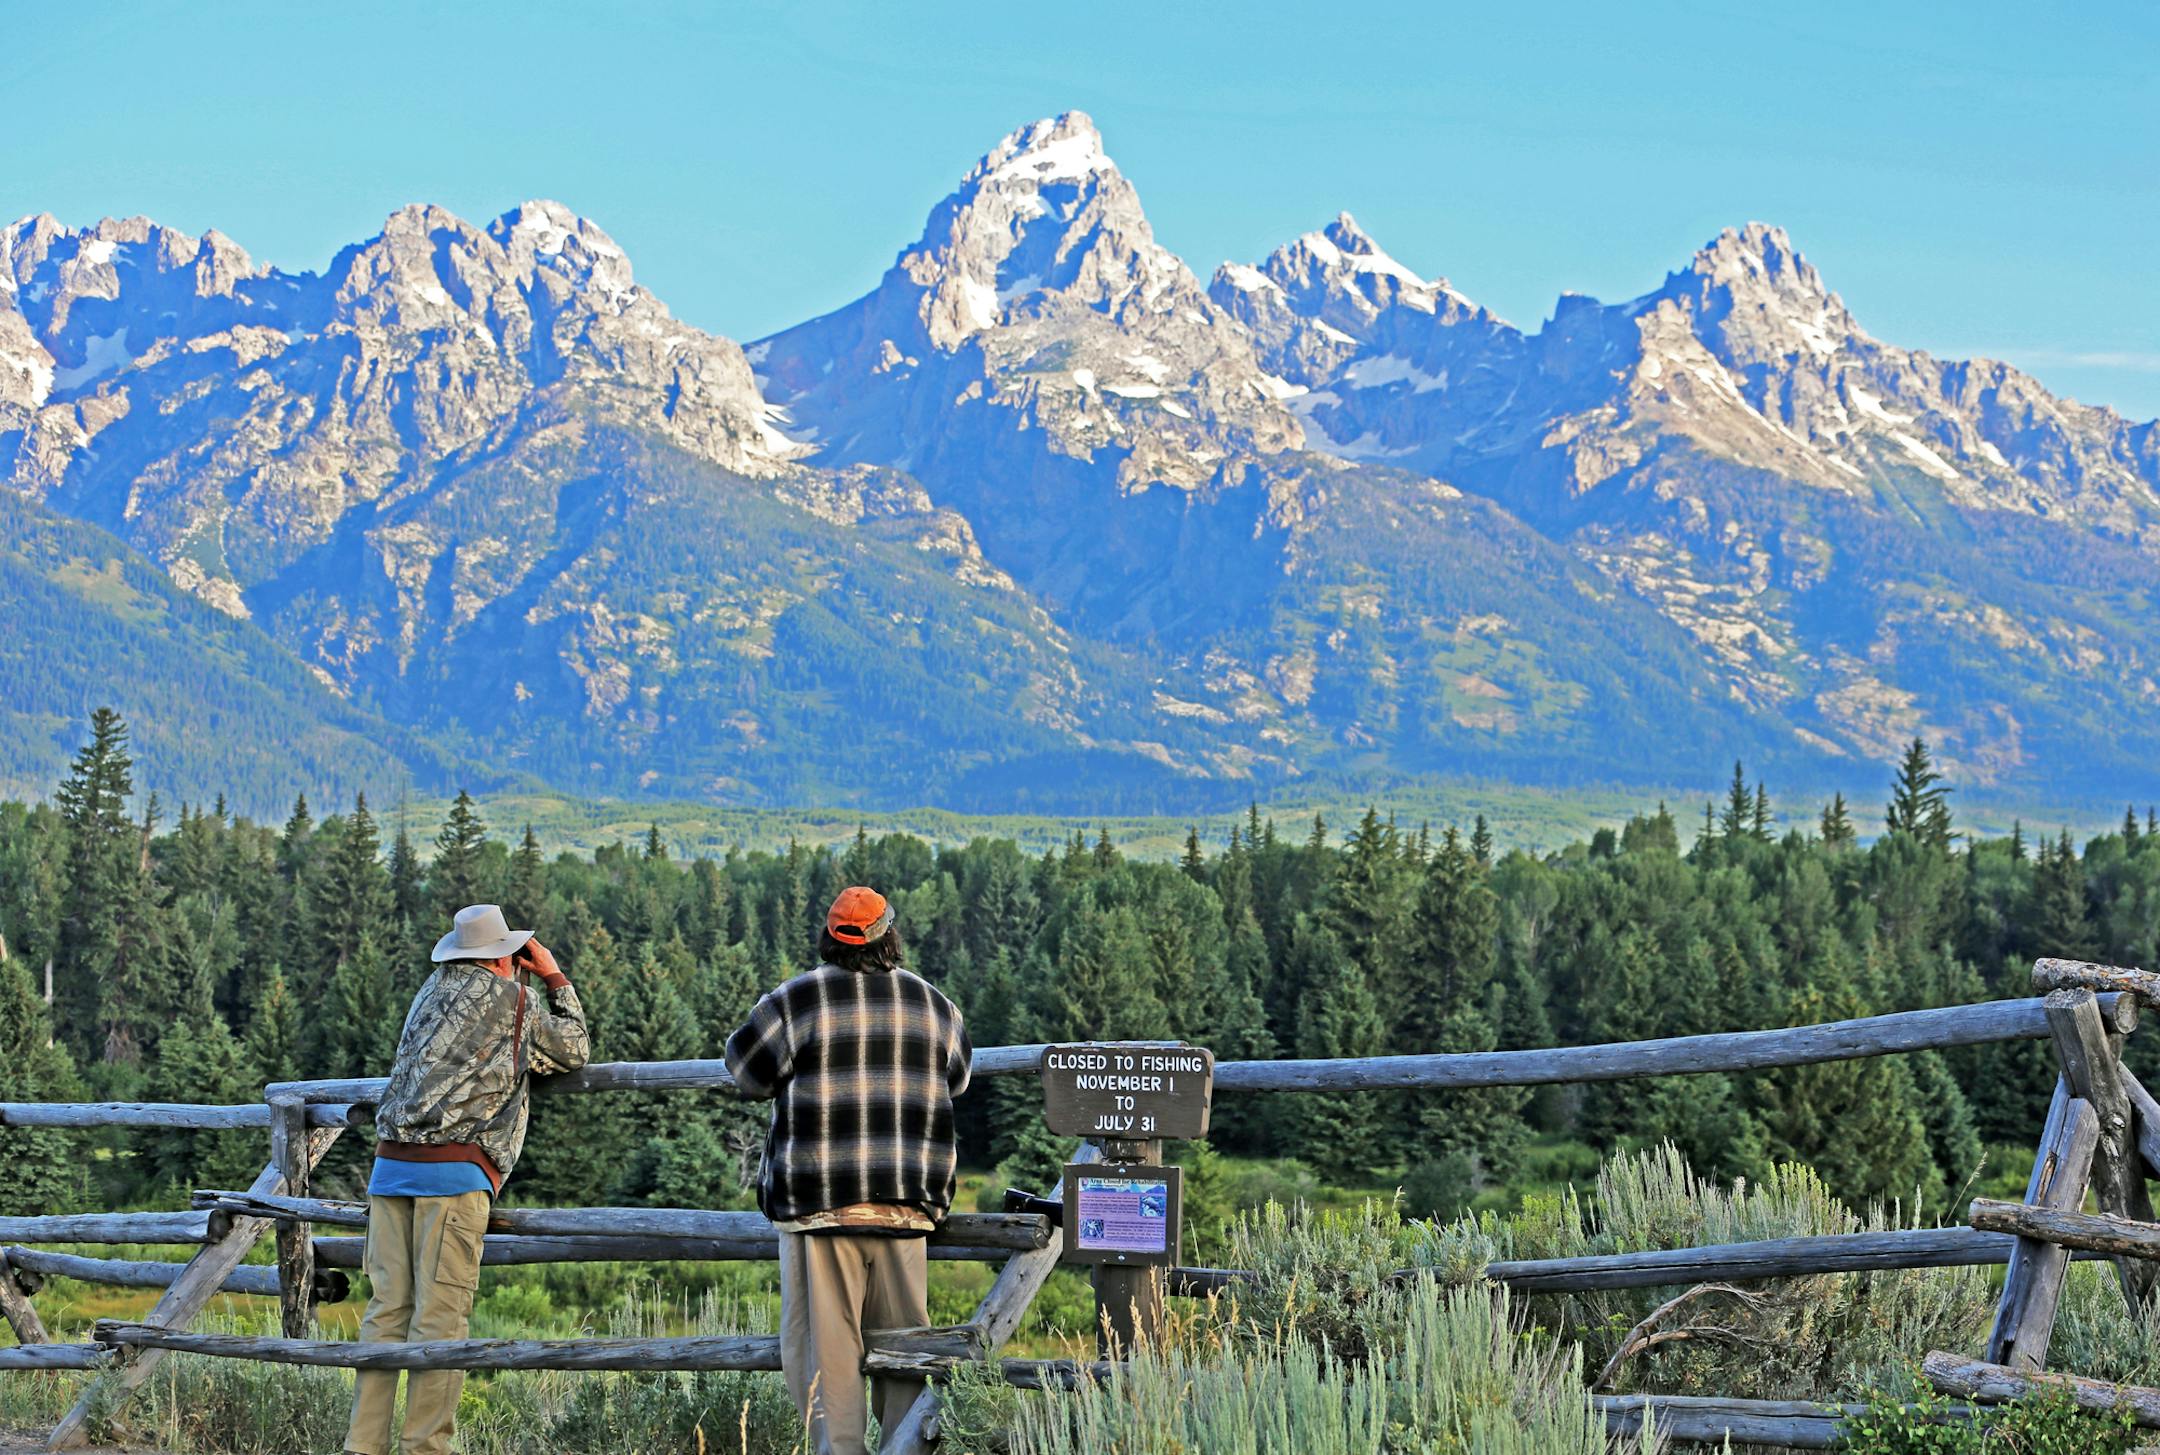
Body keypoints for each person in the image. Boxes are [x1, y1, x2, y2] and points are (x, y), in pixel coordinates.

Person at [725, 886, 972, 1455]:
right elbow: (957, 1077)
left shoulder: (794, 1001)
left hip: (821, 1205)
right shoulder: (935, 1005)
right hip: (908, 1206)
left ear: (829, 937)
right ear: (890, 936)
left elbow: (745, 1072)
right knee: (904, 1354)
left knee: (826, 1360)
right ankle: (906, 1447)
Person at [343, 903, 589, 1455]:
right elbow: (573, 1049)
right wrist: (552, 975)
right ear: (506, 958)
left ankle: (362, 1446)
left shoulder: (428, 994)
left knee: (385, 1313)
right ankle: (424, 1449)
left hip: (389, 1169)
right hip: (452, 1175)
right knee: (441, 1320)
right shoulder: (514, 1000)